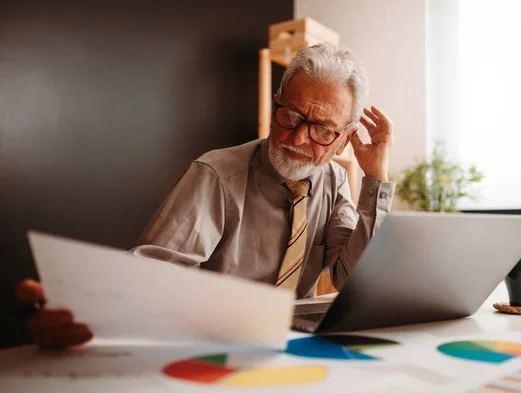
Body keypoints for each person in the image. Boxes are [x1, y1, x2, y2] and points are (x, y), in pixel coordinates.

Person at [14, 43, 395, 349]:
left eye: (323, 130)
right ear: (276, 103)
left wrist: (375, 177)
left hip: (292, 350)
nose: (298, 139)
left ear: (344, 138)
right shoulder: (216, 175)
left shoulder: (333, 180)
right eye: (291, 116)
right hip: (210, 347)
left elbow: (350, 279)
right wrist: (88, 309)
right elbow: (155, 277)